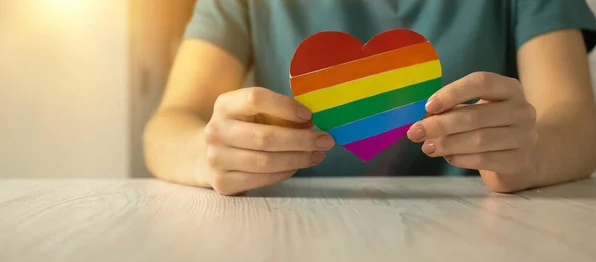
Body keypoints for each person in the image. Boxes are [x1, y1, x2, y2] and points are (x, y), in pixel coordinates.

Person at [143, 0, 596, 195]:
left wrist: (528, 155)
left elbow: (575, 120)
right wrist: (209, 153)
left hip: (485, 236)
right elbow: (171, 122)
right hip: (290, 237)